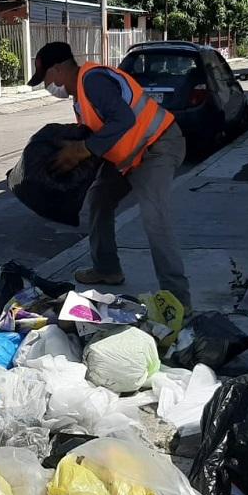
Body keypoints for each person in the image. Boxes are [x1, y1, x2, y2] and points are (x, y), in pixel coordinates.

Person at [27, 41, 193, 310]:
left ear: (57, 70)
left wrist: (82, 149)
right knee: (100, 197)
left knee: (154, 218)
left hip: (157, 146)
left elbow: (124, 119)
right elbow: (102, 133)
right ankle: (107, 268)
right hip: (131, 156)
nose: (48, 86)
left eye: (45, 78)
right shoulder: (80, 96)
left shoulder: (93, 81)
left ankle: (178, 301)